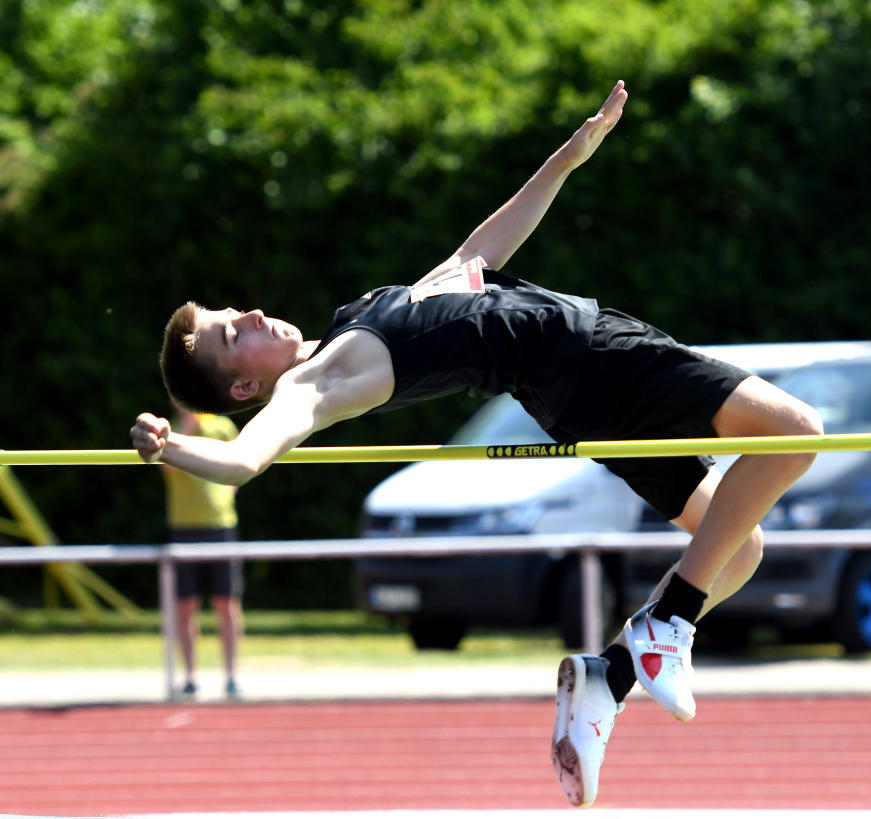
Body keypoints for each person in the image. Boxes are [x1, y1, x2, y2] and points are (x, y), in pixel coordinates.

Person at [131, 80, 823, 806]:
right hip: (593, 356)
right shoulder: (315, 381)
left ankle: (609, 678)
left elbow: (475, 255)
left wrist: (567, 158)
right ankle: (668, 623)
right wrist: (169, 444)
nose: (249, 314)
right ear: (244, 388)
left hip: (576, 394)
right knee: (798, 432)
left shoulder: (354, 319)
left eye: (232, 310)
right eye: (230, 334)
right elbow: (243, 461)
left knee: (737, 546)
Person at [161, 404, 243, 699]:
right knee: (185, 606)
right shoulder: (169, 430)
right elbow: (168, 466)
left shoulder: (223, 426)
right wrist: (188, 427)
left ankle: (232, 676)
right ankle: (191, 677)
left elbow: (241, 466)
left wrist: (224, 495)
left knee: (226, 604)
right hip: (184, 527)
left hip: (220, 525)